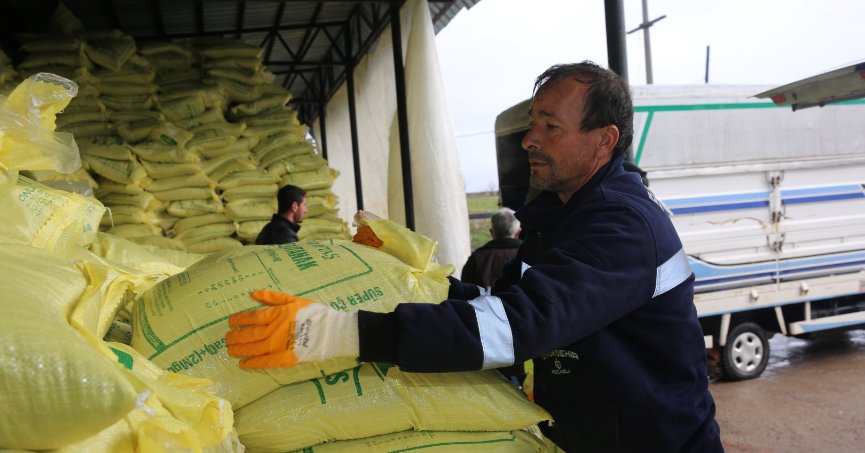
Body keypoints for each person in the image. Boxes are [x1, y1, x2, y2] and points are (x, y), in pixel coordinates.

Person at [225, 61, 723, 452]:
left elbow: (512, 327)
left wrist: (335, 332)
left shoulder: (624, 225)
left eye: (551, 127)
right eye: (533, 124)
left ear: (604, 141)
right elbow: (497, 301)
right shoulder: (560, 219)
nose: (530, 139)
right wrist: (403, 270)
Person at [460, 207, 522, 289]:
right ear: (518, 233)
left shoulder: (476, 258)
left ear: (492, 233)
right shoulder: (529, 255)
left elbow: (465, 290)